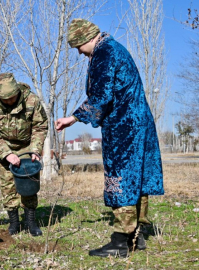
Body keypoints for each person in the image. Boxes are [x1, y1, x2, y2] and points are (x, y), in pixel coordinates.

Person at [55, 19, 164, 257]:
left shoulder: (104, 52)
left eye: (77, 46)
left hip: (124, 125)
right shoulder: (116, 48)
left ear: (86, 39)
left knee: (121, 177)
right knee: (137, 177)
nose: (78, 53)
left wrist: (72, 119)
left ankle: (120, 242)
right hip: (139, 121)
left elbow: (101, 96)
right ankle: (137, 235)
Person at [0, 73, 48, 236]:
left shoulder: (32, 100)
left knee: (29, 184)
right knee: (8, 185)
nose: (10, 102)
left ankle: (31, 222)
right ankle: (14, 223)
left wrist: (35, 149)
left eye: (13, 97)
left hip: (27, 147)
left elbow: (40, 126)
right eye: (6, 99)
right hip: (4, 149)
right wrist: (6, 153)